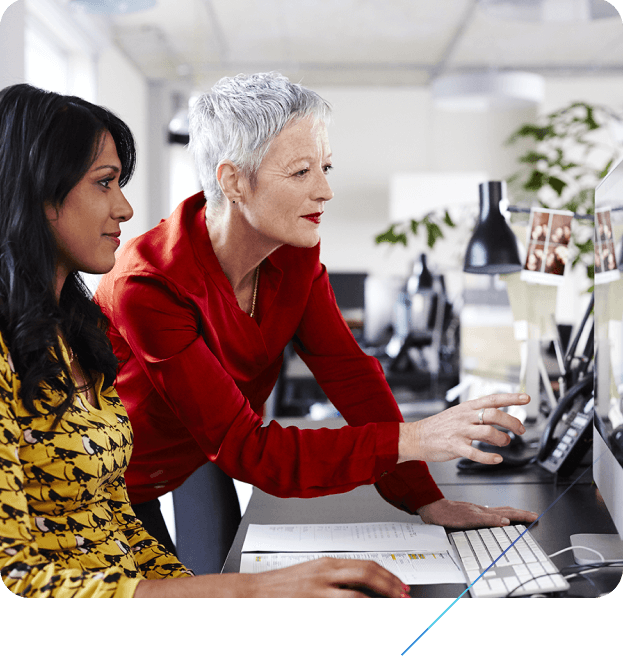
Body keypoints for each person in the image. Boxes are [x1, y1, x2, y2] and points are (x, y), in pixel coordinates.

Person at [95, 72, 538, 550]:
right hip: (114, 482)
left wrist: (425, 499)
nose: (325, 191)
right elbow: (250, 450)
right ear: (234, 181)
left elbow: (350, 374)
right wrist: (412, 438)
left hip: (202, 450)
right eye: (302, 172)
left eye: (326, 168)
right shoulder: (147, 285)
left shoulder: (290, 250)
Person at [0, 83, 409, 598]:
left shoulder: (72, 333)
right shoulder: (142, 286)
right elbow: (18, 579)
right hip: (163, 479)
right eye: (105, 183)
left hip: (183, 474)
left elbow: (111, 517)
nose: (126, 209)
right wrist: (248, 590)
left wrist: (211, 589)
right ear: (35, 192)